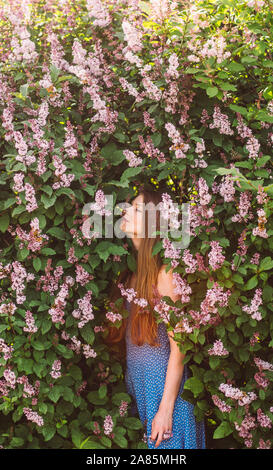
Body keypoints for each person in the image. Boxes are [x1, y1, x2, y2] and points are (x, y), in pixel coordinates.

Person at [104, 189, 206, 449]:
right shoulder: (129, 277)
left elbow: (180, 347)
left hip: (168, 403)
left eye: (137, 210)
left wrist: (165, 410)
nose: (125, 211)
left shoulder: (165, 275)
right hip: (142, 395)